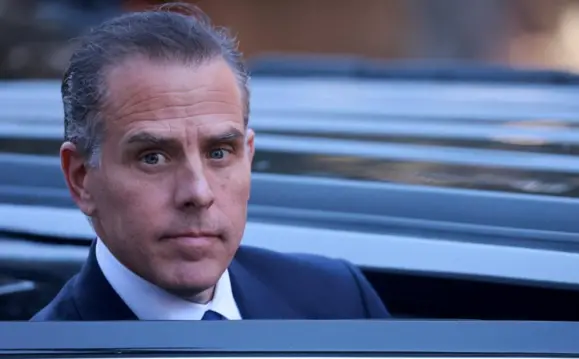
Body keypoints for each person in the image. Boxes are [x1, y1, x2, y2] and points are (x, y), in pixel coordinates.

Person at [31, 3, 390, 321]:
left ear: (248, 157)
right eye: (152, 157)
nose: (198, 193)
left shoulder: (338, 301)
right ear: (80, 178)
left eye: (219, 152)